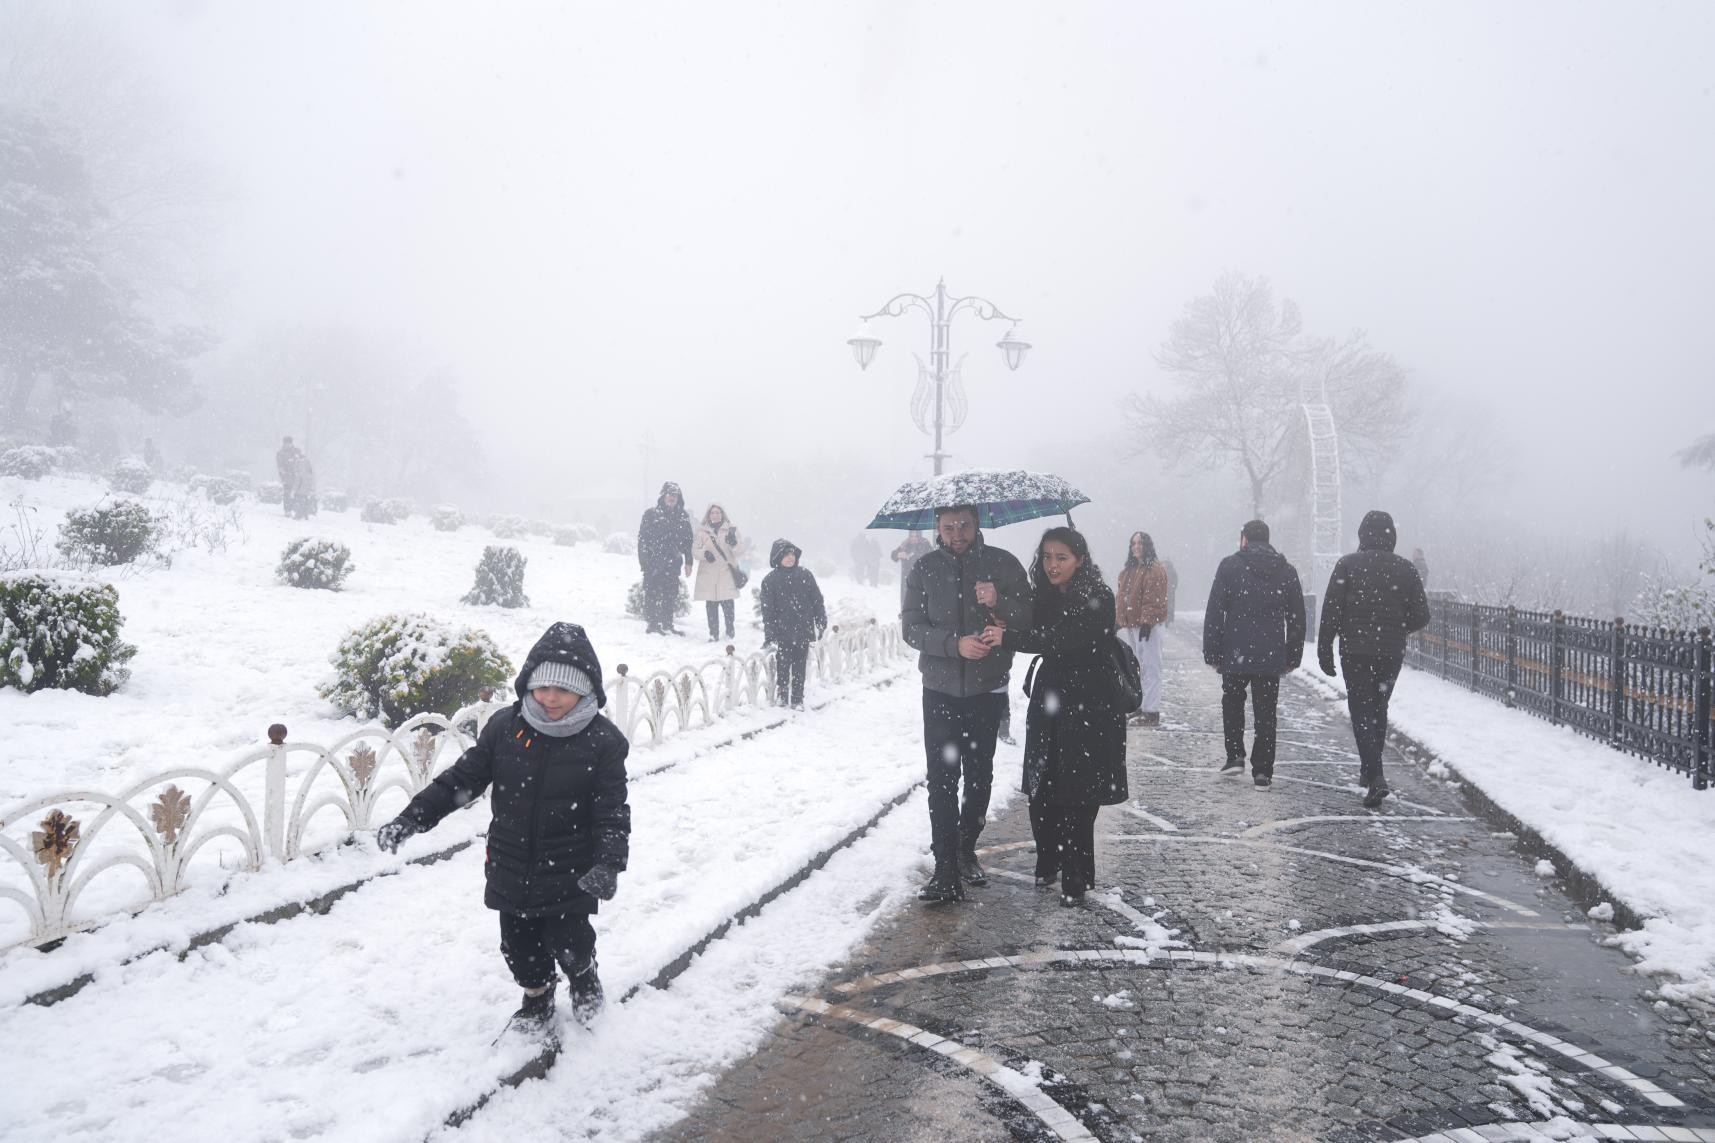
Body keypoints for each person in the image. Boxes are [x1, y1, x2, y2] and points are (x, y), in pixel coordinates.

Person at [373, 623, 630, 1041]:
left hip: (571, 867)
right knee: (519, 947)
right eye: (542, 687)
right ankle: (537, 998)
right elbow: (463, 779)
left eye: (562, 691)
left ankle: (584, 976)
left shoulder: (602, 742)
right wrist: (412, 818)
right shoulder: (506, 728)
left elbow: (612, 810)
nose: (550, 698)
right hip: (511, 862)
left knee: (571, 941)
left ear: (584, 693)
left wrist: (608, 863)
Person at [984, 527, 1127, 907]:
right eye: (1047, 557)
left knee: (1080, 790)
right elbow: (1031, 626)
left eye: (1061, 557)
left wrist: (1012, 639)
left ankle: (1076, 875)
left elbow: (1063, 640)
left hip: (1091, 701)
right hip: (1050, 698)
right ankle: (1048, 859)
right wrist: (1001, 611)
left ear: (1079, 560)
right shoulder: (1043, 594)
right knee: (1042, 780)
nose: (1052, 565)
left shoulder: (1099, 597)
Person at [900, 504, 1032, 902]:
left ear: (977, 525)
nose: (957, 533)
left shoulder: (1002, 564)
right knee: (941, 780)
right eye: (948, 527)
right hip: (938, 689)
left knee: (978, 776)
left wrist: (999, 605)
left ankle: (965, 847)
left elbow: (1028, 618)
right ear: (936, 529)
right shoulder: (924, 569)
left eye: (964, 525)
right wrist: (953, 645)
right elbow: (910, 627)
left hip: (986, 690)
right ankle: (944, 869)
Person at [1319, 511, 1433, 808]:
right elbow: (1422, 615)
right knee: (1379, 708)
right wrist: (1397, 627)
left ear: (1362, 535)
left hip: (1355, 650)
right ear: (1391, 537)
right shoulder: (1406, 569)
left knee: (1360, 710)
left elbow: (1331, 610)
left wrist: (1324, 647)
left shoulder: (1348, 565)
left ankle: (1375, 775)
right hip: (1390, 651)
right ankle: (1369, 769)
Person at [1203, 519, 1306, 787]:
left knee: (1233, 701)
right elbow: (1297, 617)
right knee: (1266, 711)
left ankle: (1235, 754)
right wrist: (1293, 655)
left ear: (1244, 539)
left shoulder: (1230, 566)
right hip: (1270, 652)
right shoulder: (1286, 571)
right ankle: (1263, 770)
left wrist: (1212, 651)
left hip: (1235, 649)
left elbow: (1215, 611)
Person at [759, 539, 827, 709]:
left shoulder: (805, 575)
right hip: (782, 630)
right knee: (783, 662)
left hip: (802, 627)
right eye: (785, 554)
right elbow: (767, 610)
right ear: (777, 557)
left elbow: (817, 599)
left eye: (792, 554)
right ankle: (782, 693)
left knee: (799, 664)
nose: (790, 557)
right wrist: (770, 633)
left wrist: (821, 620)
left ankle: (797, 696)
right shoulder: (770, 580)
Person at [1115, 531, 1171, 727]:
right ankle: (1140, 706)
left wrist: (1147, 622)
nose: (1136, 547)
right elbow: (1122, 599)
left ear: (1147, 545)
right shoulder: (1128, 571)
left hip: (1149, 627)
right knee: (1136, 668)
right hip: (1132, 625)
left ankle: (1151, 711)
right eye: (1133, 543)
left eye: (1140, 543)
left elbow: (1154, 598)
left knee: (1151, 668)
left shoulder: (1154, 570)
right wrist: (1117, 621)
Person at [637, 481, 694, 635]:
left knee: (670, 594)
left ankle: (668, 624)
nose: (672, 498)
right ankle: (653, 624)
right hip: (653, 563)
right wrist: (645, 563)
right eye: (669, 494)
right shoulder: (651, 514)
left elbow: (688, 541)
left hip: (673, 563)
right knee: (652, 594)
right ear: (663, 496)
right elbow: (643, 540)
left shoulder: (683, 516)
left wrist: (689, 562)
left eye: (675, 495)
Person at [693, 504, 743, 642]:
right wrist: (705, 554)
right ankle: (713, 634)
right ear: (708, 515)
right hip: (708, 574)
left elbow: (740, 551)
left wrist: (733, 543)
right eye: (713, 512)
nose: (715, 515)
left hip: (726, 572)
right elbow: (695, 551)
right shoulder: (702, 532)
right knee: (711, 606)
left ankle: (730, 633)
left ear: (723, 514)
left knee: (728, 605)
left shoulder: (731, 530)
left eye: (718, 512)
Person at [890, 530, 932, 613]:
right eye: (911, 536)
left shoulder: (925, 543)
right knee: (906, 598)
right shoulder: (905, 544)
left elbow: (932, 557)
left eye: (915, 536)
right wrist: (898, 554)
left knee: (919, 600)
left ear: (919, 535)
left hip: (920, 577)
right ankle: (905, 615)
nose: (913, 538)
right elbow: (893, 555)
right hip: (907, 576)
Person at [276, 436, 305, 515]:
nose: (288, 445)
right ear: (284, 444)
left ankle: (297, 510)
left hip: (297, 477)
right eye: (286, 443)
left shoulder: (297, 451)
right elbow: (280, 466)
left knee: (297, 494)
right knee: (287, 494)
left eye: (289, 443)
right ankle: (287, 510)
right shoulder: (280, 453)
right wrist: (283, 475)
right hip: (287, 477)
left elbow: (302, 462)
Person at [1162, 557, 1179, 625]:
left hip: (1165, 590)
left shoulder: (1162, 569)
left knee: (1165, 605)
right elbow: (1176, 580)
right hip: (1170, 590)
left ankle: (1166, 618)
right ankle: (1169, 619)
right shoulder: (1172, 570)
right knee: (1170, 605)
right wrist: (1173, 587)